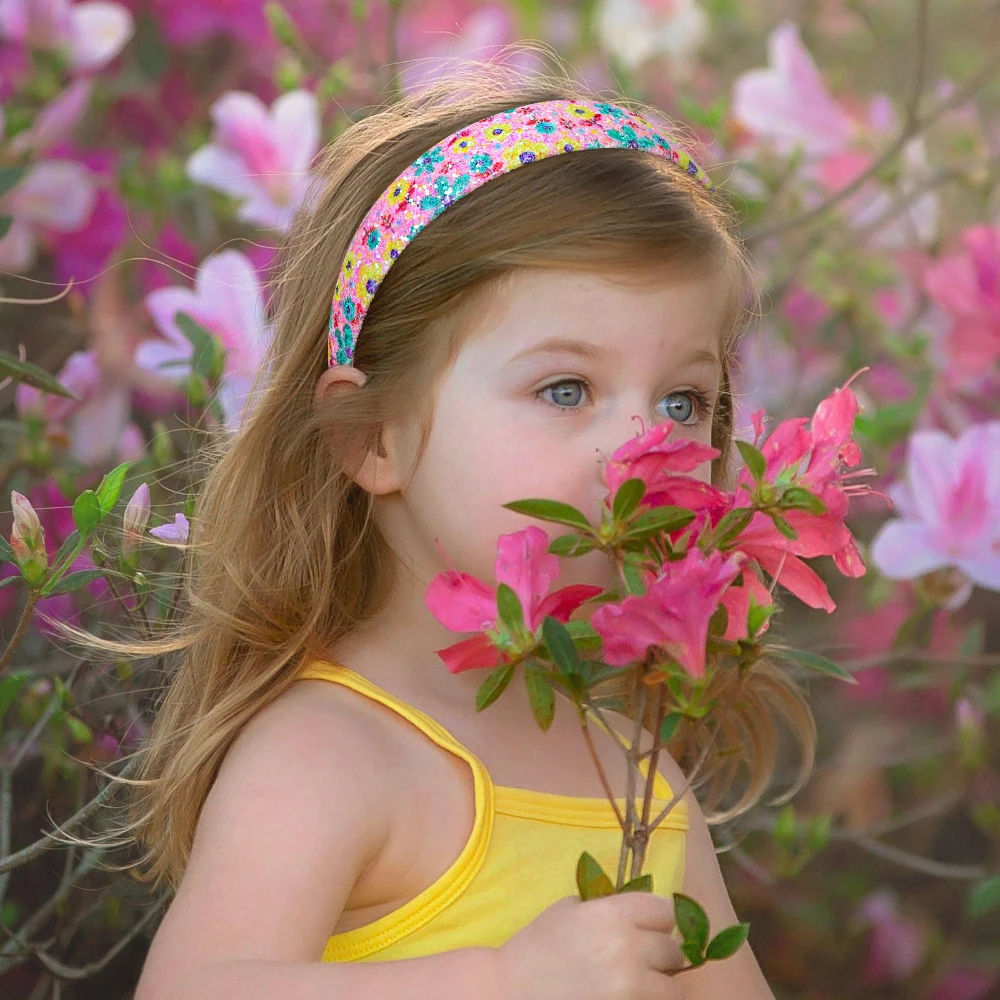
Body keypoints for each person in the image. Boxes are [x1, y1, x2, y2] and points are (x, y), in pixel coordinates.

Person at [96, 57, 815, 1000]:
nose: (648, 449)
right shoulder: (333, 751)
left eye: (685, 400)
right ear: (373, 439)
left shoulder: (637, 773)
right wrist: (503, 978)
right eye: (566, 388)